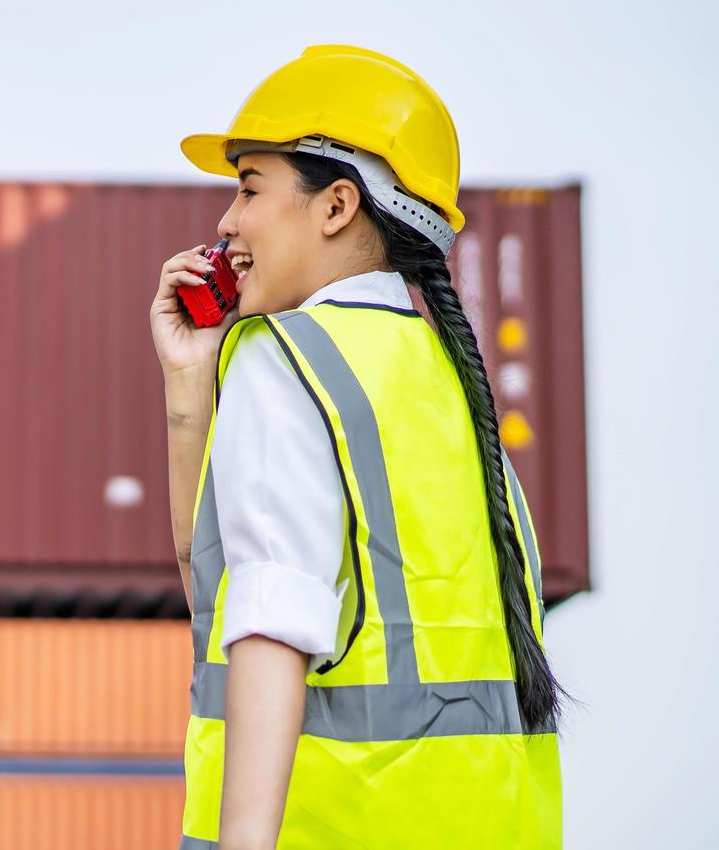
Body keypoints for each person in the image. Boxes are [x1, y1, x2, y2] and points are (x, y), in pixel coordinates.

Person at [150, 44, 563, 849]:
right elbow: (225, 582)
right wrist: (189, 383)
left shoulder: (288, 357)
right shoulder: (451, 390)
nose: (227, 222)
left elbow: (268, 621)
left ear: (337, 206)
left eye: (249, 187)